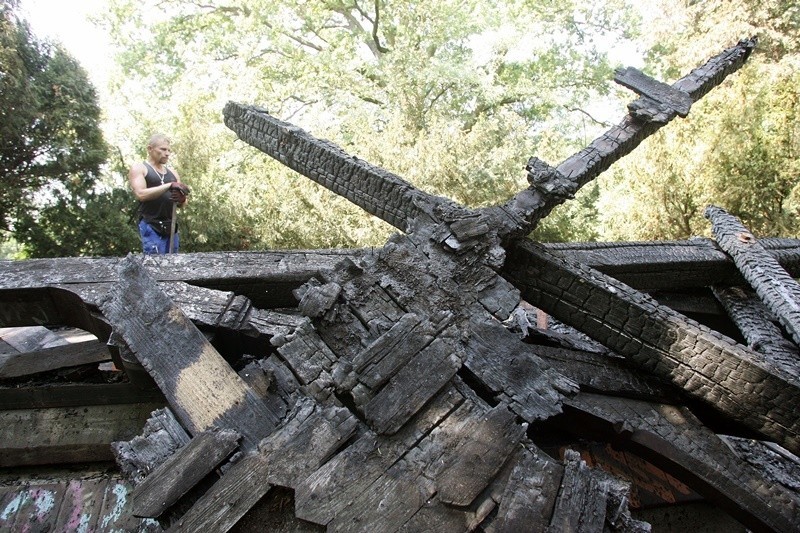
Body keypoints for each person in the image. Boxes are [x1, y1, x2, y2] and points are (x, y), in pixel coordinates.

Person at [128, 134, 190, 254]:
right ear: (150, 149)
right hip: (151, 225)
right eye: (163, 149)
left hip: (171, 227)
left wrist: (182, 199)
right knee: (155, 265)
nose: (167, 153)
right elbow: (141, 194)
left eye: (169, 150)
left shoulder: (172, 172)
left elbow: (183, 204)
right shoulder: (140, 168)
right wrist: (168, 186)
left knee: (173, 265)